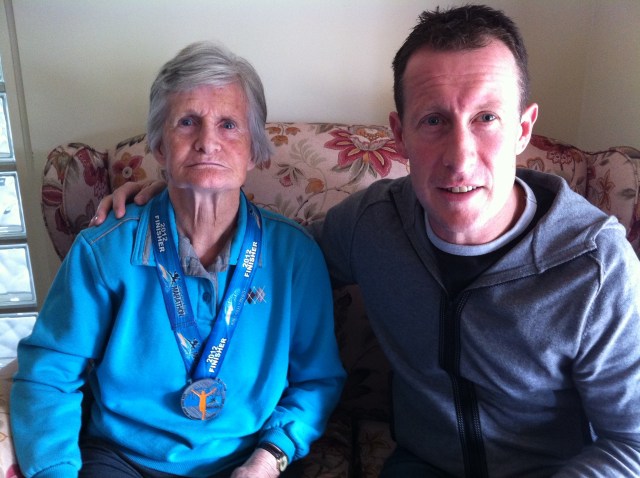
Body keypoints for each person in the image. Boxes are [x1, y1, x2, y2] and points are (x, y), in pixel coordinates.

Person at [93, 5, 640, 477]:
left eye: (487, 118)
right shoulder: (372, 223)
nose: (461, 156)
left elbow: (631, 442)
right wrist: (184, 192)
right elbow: (275, 261)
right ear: (399, 135)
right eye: (433, 121)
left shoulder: (596, 264)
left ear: (523, 128)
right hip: (423, 466)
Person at [11, 41, 345, 478]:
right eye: (187, 122)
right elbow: (50, 374)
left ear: (254, 150)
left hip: (247, 460)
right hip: (123, 460)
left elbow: (316, 380)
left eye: (229, 125)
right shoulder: (104, 249)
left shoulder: (294, 255)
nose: (208, 143)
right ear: (159, 147)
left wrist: (269, 458)